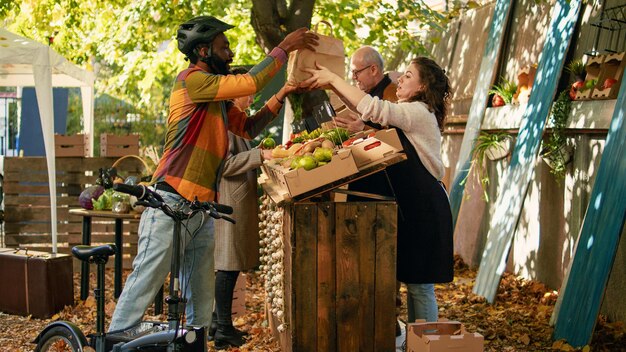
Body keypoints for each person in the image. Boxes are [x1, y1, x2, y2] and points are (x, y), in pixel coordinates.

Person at [108, 16, 318, 334]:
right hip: (168, 200)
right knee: (142, 290)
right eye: (225, 47)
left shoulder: (216, 101)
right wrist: (284, 48)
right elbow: (249, 83)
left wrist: (284, 92)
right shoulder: (192, 81)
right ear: (204, 51)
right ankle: (114, 338)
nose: (231, 53)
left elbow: (247, 127)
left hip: (200, 210)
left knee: (201, 313)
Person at [303, 57, 454, 326]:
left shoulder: (418, 111)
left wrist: (334, 80)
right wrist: (363, 127)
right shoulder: (409, 112)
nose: (400, 80)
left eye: (408, 76)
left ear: (422, 87)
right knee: (413, 281)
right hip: (412, 207)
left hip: (425, 208)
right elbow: (378, 119)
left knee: (420, 287)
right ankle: (417, 341)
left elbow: (372, 107)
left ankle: (427, 341)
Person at [208, 67, 271, 349]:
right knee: (227, 265)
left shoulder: (237, 120)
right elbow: (225, 164)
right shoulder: (224, 121)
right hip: (229, 202)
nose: (253, 96)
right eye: (250, 91)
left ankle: (215, 323)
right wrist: (260, 155)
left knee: (229, 264)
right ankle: (223, 329)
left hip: (236, 200)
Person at [333, 45, 398, 133]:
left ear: (373, 70)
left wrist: (363, 129)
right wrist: (333, 87)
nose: (353, 77)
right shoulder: (374, 90)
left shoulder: (393, 95)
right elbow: (356, 106)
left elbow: (395, 139)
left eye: (356, 72)